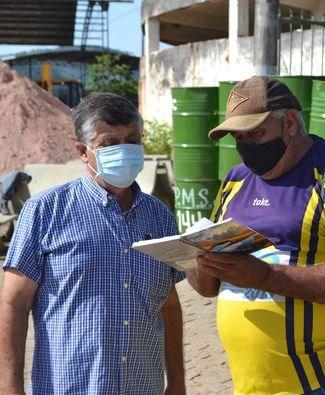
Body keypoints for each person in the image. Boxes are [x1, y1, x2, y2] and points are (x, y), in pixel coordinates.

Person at [187, 76, 325, 394]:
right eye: (238, 137)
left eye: (255, 133)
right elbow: (207, 287)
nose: (246, 147)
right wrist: (195, 262)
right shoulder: (235, 181)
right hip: (249, 385)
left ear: (291, 122)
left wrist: (266, 277)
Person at [0, 93, 186, 394]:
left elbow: (169, 304)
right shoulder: (45, 211)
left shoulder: (159, 217)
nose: (123, 150)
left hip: (142, 386)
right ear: (83, 152)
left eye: (132, 139)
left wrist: (177, 381)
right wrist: (10, 387)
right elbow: (14, 304)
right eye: (109, 143)